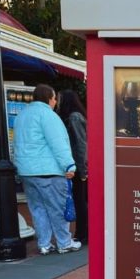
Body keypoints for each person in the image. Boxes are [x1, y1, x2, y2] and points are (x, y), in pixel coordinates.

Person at [13, 84, 80, 254]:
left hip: (27, 171)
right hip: (48, 170)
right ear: (49, 98)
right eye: (54, 98)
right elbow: (58, 143)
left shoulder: (22, 115)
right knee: (57, 208)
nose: (55, 101)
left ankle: (44, 243)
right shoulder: (48, 116)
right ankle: (64, 243)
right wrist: (69, 165)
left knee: (37, 209)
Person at [56, 89, 88, 244]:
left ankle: (83, 233)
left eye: (59, 97)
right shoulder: (75, 116)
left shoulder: (74, 117)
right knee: (80, 200)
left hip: (77, 166)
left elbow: (81, 144)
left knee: (80, 201)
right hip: (77, 165)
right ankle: (83, 233)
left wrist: (82, 169)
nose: (57, 100)